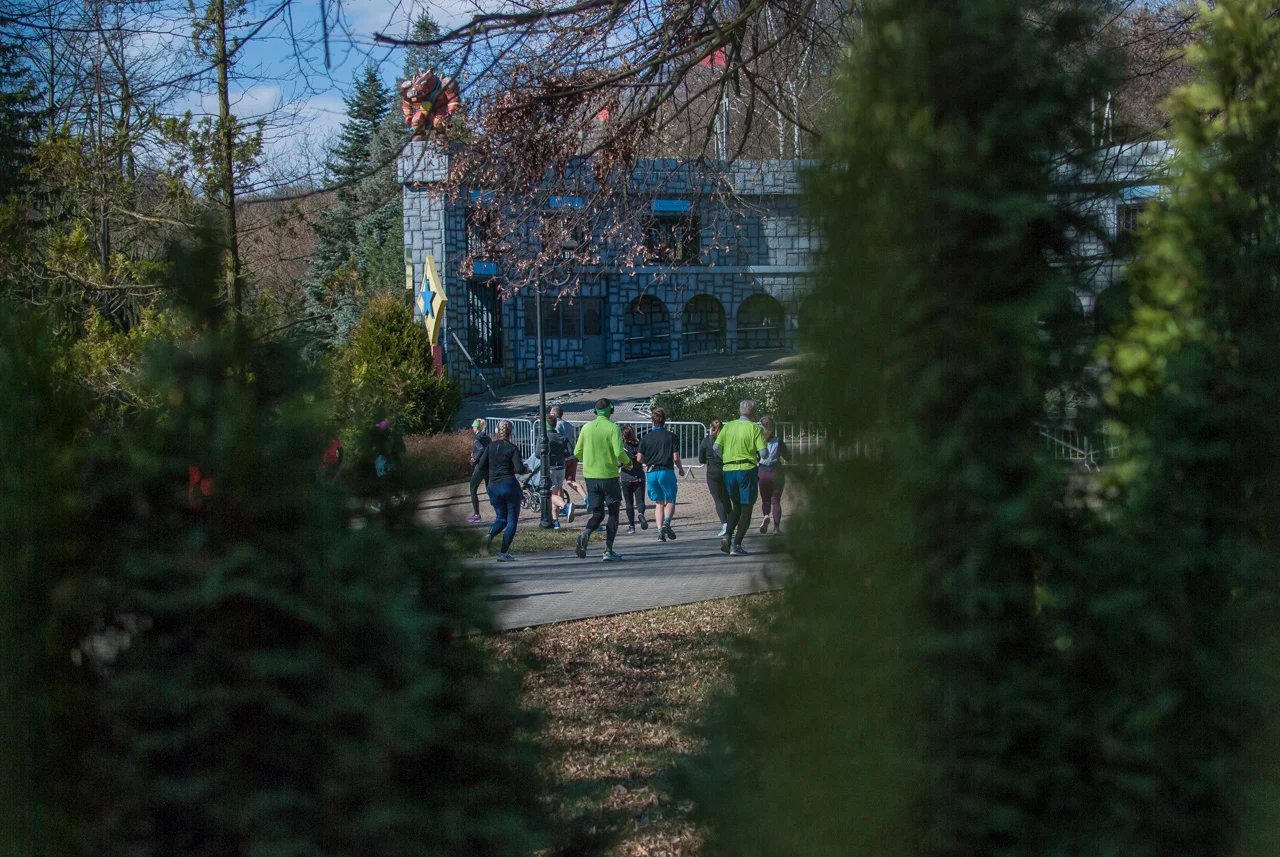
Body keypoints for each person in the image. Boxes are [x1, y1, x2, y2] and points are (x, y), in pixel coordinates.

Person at [573, 397, 631, 562]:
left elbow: (577, 452)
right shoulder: (613, 428)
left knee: (597, 513)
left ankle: (585, 534)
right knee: (613, 512)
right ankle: (608, 550)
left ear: (594, 411)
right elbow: (619, 452)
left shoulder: (586, 427)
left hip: (590, 476)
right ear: (611, 411)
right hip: (609, 476)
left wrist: (590, 458)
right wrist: (628, 463)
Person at [714, 399, 767, 556]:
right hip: (746, 469)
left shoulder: (729, 426)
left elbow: (716, 447)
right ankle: (736, 545)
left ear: (740, 411)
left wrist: (725, 457)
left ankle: (727, 536)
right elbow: (763, 453)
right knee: (746, 509)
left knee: (736, 506)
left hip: (729, 469)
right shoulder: (754, 428)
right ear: (753, 412)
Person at [472, 420, 529, 562]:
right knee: (511, 520)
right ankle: (503, 552)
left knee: (500, 518)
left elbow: (481, 466)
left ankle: (489, 535)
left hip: (493, 486)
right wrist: (526, 469)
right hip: (509, 485)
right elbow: (520, 469)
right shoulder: (512, 448)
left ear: (497, 431)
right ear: (511, 432)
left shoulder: (490, 447)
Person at [637, 407, 684, 541]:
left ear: (652, 421)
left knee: (659, 502)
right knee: (670, 499)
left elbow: (639, 458)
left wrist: (648, 462)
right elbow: (675, 457)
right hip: (666, 471)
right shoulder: (671, 437)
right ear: (665, 422)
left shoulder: (645, 438)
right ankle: (667, 523)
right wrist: (680, 469)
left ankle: (659, 532)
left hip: (651, 472)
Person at [757, 415, 789, 534]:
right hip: (776, 471)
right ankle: (776, 527)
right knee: (776, 500)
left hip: (762, 472)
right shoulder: (779, 441)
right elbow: (788, 457)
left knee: (765, 500)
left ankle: (766, 515)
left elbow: (755, 457)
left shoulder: (759, 441)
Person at [543, 413, 575, 527]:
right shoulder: (561, 437)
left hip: (550, 468)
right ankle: (556, 521)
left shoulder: (544, 437)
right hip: (561, 467)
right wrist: (562, 455)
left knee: (548, 495)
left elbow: (538, 454)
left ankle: (565, 506)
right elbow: (570, 451)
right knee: (556, 492)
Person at [699, 419, 729, 538]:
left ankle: (724, 523)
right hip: (726, 469)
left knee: (718, 500)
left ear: (711, 428)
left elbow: (701, 459)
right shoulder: (726, 440)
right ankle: (731, 522)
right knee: (727, 497)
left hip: (712, 471)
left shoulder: (706, 441)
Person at [551, 405, 584, 500]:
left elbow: (557, 441)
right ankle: (585, 497)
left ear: (553, 414)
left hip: (563, 457)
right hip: (572, 456)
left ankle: (561, 505)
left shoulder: (557, 426)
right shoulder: (568, 425)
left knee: (558, 483)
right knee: (571, 481)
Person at [619, 425, 648, 534]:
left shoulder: (622, 446)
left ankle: (631, 526)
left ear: (623, 436)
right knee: (640, 500)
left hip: (626, 477)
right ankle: (641, 514)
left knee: (629, 502)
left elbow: (619, 461)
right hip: (639, 475)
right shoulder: (640, 444)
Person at [467, 418, 490, 522]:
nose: (472, 427)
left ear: (476, 427)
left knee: (472, 489)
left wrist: (474, 459)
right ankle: (502, 511)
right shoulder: (487, 437)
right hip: (488, 466)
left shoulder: (476, 438)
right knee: (490, 490)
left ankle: (477, 514)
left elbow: (481, 449)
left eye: (473, 426)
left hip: (480, 467)